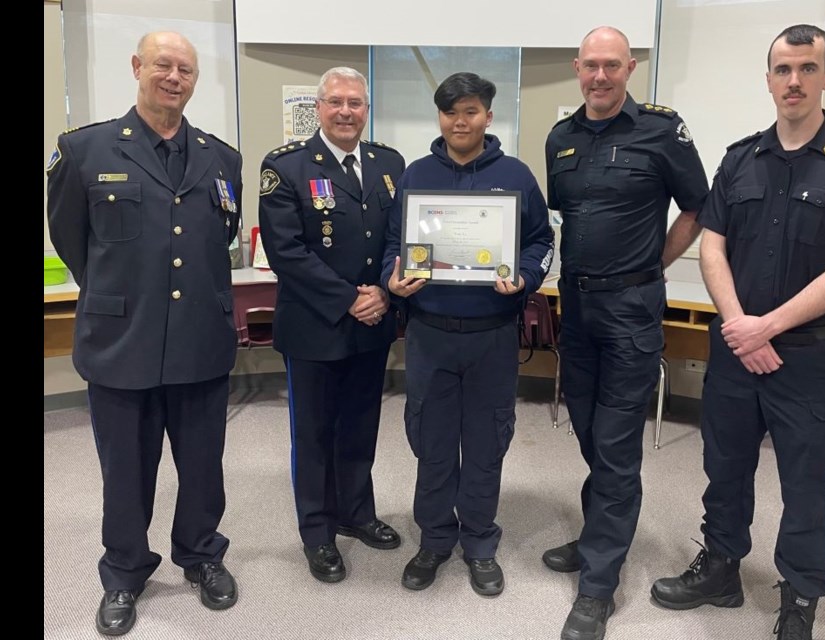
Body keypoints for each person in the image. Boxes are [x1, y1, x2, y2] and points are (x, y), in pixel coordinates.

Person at [649, 24, 825, 640]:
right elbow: (713, 248)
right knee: (725, 469)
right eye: (783, 70)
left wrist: (766, 326)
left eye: (807, 69)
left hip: (808, 357)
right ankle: (722, 568)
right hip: (737, 350)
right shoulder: (739, 159)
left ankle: (800, 596)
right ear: (768, 79)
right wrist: (740, 326)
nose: (794, 81)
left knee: (806, 485)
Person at [45, 32, 241, 636]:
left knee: (204, 466)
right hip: (120, 343)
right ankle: (125, 572)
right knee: (126, 471)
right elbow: (71, 239)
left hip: (200, 341)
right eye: (163, 65)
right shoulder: (84, 149)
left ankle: (202, 555)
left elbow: (218, 239)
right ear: (137, 67)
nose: (174, 77)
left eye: (185, 69)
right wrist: (118, 291)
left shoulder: (221, 156)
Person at [542, 26, 709, 640]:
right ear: (576, 68)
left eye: (613, 65)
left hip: (633, 311)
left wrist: (654, 266)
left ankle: (597, 587)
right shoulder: (560, 138)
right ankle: (596, 537)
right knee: (587, 429)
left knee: (615, 447)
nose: (601, 76)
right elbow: (564, 215)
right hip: (577, 311)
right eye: (591, 66)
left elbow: (698, 207)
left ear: (631, 67)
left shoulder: (662, 130)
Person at [381, 72, 554, 597]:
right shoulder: (415, 176)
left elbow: (541, 243)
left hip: (492, 335)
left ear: (488, 116)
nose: (461, 121)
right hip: (430, 333)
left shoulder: (517, 177)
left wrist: (524, 278)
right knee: (432, 441)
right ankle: (434, 539)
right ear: (440, 117)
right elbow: (394, 242)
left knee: (485, 442)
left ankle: (479, 542)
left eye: (472, 111)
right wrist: (394, 276)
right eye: (451, 112)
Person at [257, 67, 406, 585]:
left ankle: (356, 512)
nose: (346, 111)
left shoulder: (389, 164)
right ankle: (317, 532)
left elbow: (400, 240)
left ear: (367, 109)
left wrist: (385, 291)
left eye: (356, 103)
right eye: (336, 102)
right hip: (316, 325)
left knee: (361, 427)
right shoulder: (287, 166)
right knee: (315, 433)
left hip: (373, 323)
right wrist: (349, 299)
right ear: (318, 108)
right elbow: (287, 252)